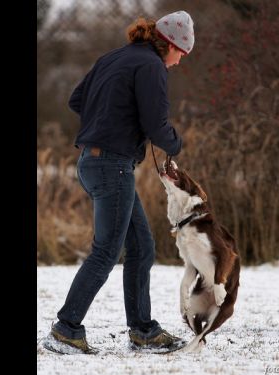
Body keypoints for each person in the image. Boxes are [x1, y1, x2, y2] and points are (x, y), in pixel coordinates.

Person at [46, 11, 195, 354]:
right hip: (112, 166)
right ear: (169, 44)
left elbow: (76, 100)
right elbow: (157, 126)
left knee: (142, 247)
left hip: (91, 161)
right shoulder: (151, 66)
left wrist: (108, 120)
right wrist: (175, 144)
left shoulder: (113, 57)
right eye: (182, 53)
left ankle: (143, 331)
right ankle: (66, 329)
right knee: (106, 251)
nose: (181, 61)